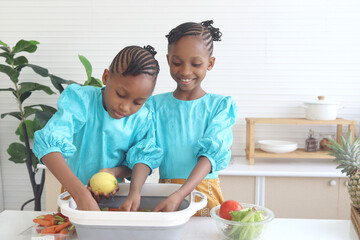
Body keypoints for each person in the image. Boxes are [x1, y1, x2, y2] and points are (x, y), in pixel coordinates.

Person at [33, 45, 163, 211]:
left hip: (115, 196)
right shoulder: (81, 101)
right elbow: (47, 145)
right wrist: (81, 196)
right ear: (106, 77)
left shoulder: (142, 118)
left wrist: (117, 176)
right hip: (74, 195)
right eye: (121, 95)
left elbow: (142, 159)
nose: (125, 107)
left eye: (138, 102)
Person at [148, 20, 238, 216]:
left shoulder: (220, 106)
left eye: (196, 63)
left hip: (205, 196)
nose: (185, 71)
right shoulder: (154, 106)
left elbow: (210, 156)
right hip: (166, 194)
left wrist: (181, 193)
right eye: (177, 63)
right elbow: (144, 153)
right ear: (168, 60)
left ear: (210, 63)